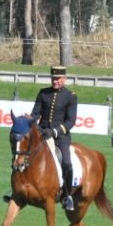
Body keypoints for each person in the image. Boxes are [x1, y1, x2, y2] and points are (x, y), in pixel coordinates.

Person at [32, 65, 78, 211]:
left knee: (66, 163)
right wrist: (35, 125)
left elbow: (70, 121)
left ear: (64, 79)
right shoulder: (43, 93)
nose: (55, 81)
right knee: (24, 156)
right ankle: (16, 189)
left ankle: (67, 196)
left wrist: (55, 132)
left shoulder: (71, 96)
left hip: (61, 137)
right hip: (42, 134)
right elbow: (35, 114)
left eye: (58, 79)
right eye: (53, 78)